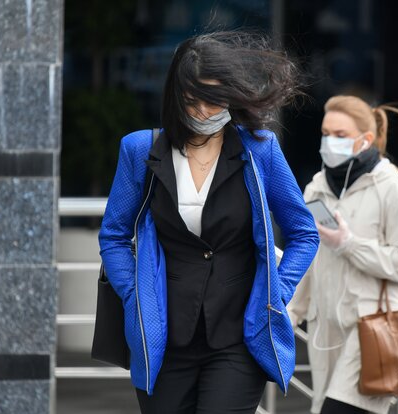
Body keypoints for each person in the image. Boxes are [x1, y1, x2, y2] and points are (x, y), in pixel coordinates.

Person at [98, 31, 319, 414]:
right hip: (162, 336)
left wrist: (276, 292)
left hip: (239, 337)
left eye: (214, 100)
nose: (203, 111)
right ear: (175, 97)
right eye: (192, 100)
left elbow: (304, 233)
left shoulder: (260, 149)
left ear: (232, 96)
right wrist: (134, 293)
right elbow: (114, 236)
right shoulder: (140, 149)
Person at [287, 95, 398, 414]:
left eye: (340, 135)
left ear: (365, 140)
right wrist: (290, 312)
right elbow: (309, 255)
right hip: (325, 331)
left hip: (373, 329)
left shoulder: (392, 187)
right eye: (325, 134)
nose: (329, 142)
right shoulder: (316, 188)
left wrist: (349, 244)